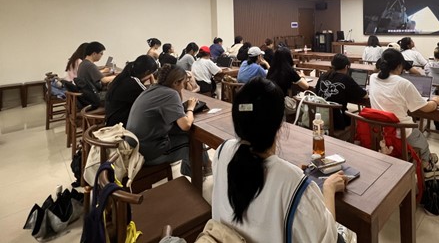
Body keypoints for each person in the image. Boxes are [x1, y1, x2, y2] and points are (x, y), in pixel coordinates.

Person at [211, 77, 347, 242]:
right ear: (280, 123)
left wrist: (287, 172)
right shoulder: (294, 184)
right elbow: (328, 238)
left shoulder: (222, 151)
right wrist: (329, 189)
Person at [369, 48, 439, 178]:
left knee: (417, 136)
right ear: (399, 66)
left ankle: (426, 157)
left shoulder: (373, 77)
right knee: (421, 140)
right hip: (401, 131)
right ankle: (427, 166)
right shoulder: (403, 83)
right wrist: (436, 102)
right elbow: (426, 108)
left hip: (380, 130)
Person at [126, 64, 208, 176]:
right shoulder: (170, 94)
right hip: (147, 154)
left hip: (136, 146)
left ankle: (200, 167)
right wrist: (190, 108)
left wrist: (178, 92)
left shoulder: (152, 88)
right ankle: (197, 174)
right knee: (193, 140)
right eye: (183, 83)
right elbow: (186, 125)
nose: (183, 87)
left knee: (183, 133)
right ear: (175, 82)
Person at [315, 54, 368, 129]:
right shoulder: (346, 78)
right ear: (346, 67)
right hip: (337, 120)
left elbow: (316, 92)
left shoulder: (323, 76)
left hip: (320, 116)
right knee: (357, 120)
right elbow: (364, 95)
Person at [105, 55, 158, 127]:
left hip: (112, 119)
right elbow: (150, 97)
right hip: (120, 125)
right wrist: (153, 82)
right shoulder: (133, 82)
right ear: (147, 72)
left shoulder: (123, 76)